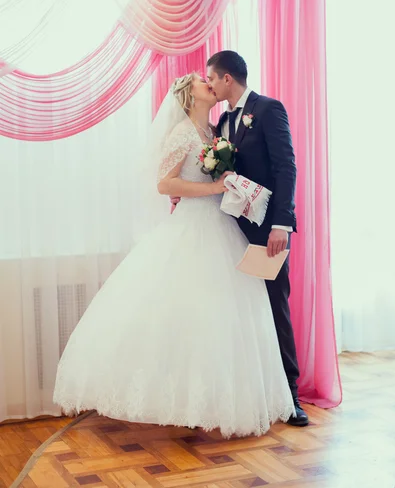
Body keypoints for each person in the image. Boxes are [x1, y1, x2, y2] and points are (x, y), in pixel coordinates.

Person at [53, 73, 295, 439]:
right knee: (186, 314)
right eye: (202, 81)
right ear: (188, 95)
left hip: (222, 226)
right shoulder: (182, 132)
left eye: (210, 77)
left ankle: (215, 401)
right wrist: (213, 185)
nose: (208, 82)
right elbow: (165, 183)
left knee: (221, 317)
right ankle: (181, 403)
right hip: (192, 228)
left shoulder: (215, 132)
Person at [172, 52, 308, 426]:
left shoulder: (268, 109)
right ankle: (255, 392)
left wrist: (283, 223)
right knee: (245, 316)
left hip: (268, 232)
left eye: (211, 79)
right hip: (230, 230)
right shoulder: (220, 124)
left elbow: (286, 167)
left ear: (226, 78)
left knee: (274, 307)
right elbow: (218, 176)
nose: (209, 85)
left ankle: (291, 395)